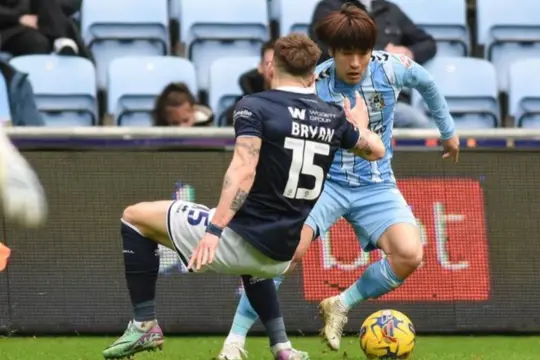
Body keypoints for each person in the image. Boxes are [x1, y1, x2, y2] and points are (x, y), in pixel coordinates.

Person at [102, 33, 386, 360]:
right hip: (283, 254)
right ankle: (282, 348)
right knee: (257, 244)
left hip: (238, 242)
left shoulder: (255, 106)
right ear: (312, 75)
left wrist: (214, 230)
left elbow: (243, 170)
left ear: (270, 67)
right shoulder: (333, 117)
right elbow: (375, 150)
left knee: (135, 217)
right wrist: (359, 126)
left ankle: (143, 323)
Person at [217, 4, 459, 359]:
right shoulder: (316, 83)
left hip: (376, 184)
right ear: (332, 51)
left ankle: (340, 303)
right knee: (282, 255)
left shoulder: (391, 69)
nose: (356, 62)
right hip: (323, 186)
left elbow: (428, 83)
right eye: (347, 54)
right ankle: (235, 341)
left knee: (409, 254)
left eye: (362, 53)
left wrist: (448, 132)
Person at [309, 0, 438, 129]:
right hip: (344, 95)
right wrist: (383, 55)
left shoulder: (390, 9)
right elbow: (320, 47)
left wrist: (408, 52)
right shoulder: (329, 7)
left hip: (387, 99)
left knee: (417, 122)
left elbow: (428, 43)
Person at [223, 39, 276, 125]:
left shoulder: (300, 100)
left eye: (279, 64)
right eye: (269, 64)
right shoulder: (242, 110)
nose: (274, 69)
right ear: (260, 67)